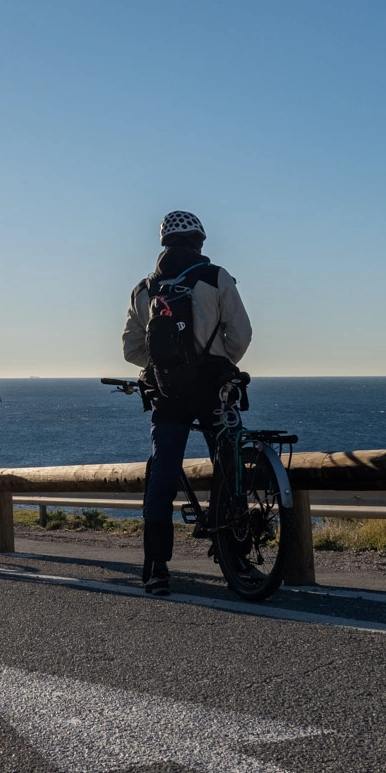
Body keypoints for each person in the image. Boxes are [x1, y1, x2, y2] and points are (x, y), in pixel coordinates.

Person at [121, 211, 252, 594]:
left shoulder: (145, 288)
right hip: (213, 387)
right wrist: (217, 361)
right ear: (200, 241)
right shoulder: (215, 277)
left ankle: (158, 568)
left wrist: (166, 366)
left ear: (163, 244)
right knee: (229, 465)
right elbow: (241, 335)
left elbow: (131, 349)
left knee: (163, 472)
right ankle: (236, 554)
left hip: (169, 392)